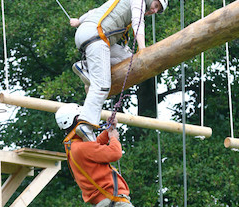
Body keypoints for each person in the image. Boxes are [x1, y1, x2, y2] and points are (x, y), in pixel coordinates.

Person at [69, 0, 168, 142]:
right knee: (102, 85)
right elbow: (137, 22)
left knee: (130, 61)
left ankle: (87, 67)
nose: (154, 11)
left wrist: (79, 21)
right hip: (97, 37)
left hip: (89, 33)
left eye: (157, 11)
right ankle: (86, 124)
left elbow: (96, 11)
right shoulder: (138, 1)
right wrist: (143, 49)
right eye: (156, 6)